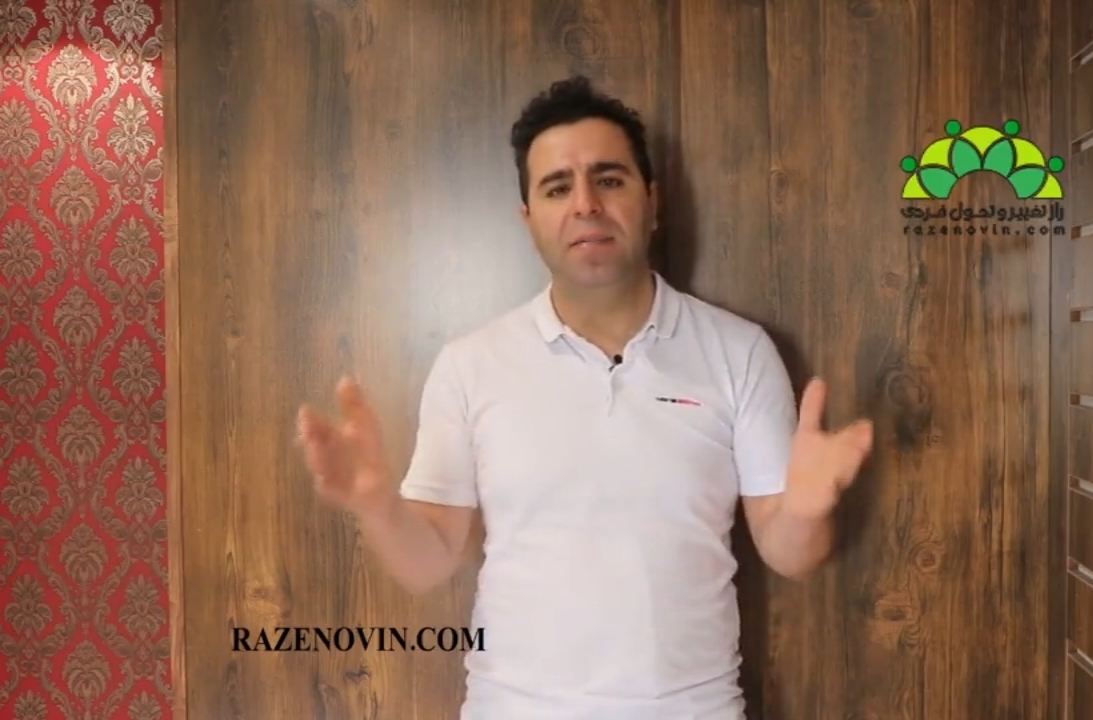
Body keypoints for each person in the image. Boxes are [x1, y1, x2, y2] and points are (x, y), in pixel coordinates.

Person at [296, 75, 874, 719]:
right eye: (557, 187)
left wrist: (807, 510)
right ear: (529, 219)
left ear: (652, 201)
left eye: (609, 179)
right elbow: (425, 564)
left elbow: (792, 553)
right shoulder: (469, 365)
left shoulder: (738, 351)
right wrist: (376, 505)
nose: (586, 204)